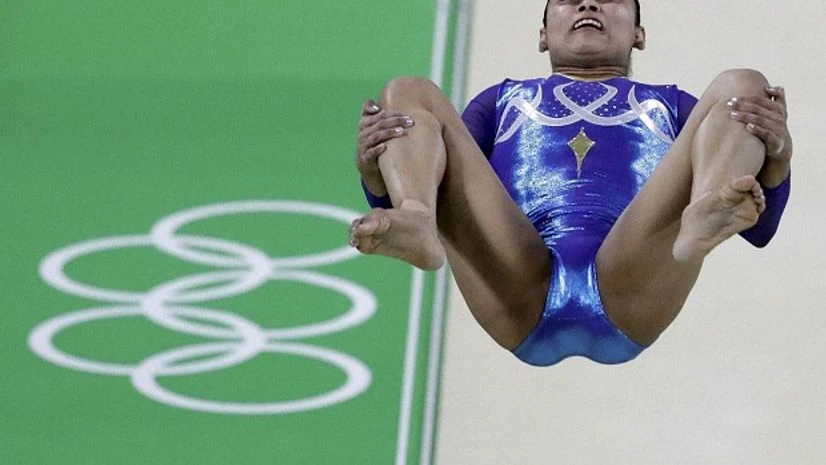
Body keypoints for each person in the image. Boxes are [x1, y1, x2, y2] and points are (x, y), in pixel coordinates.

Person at [349, 0, 792, 366]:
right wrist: (376, 175)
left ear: (639, 33)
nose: (588, 4)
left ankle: (702, 214)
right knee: (408, 91)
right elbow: (448, 180)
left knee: (743, 86)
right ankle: (415, 215)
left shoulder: (671, 105)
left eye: (613, 0)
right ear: (542, 34)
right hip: (518, 272)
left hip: (636, 271)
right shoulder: (501, 102)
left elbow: (760, 227)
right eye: (566, 0)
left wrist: (777, 155)